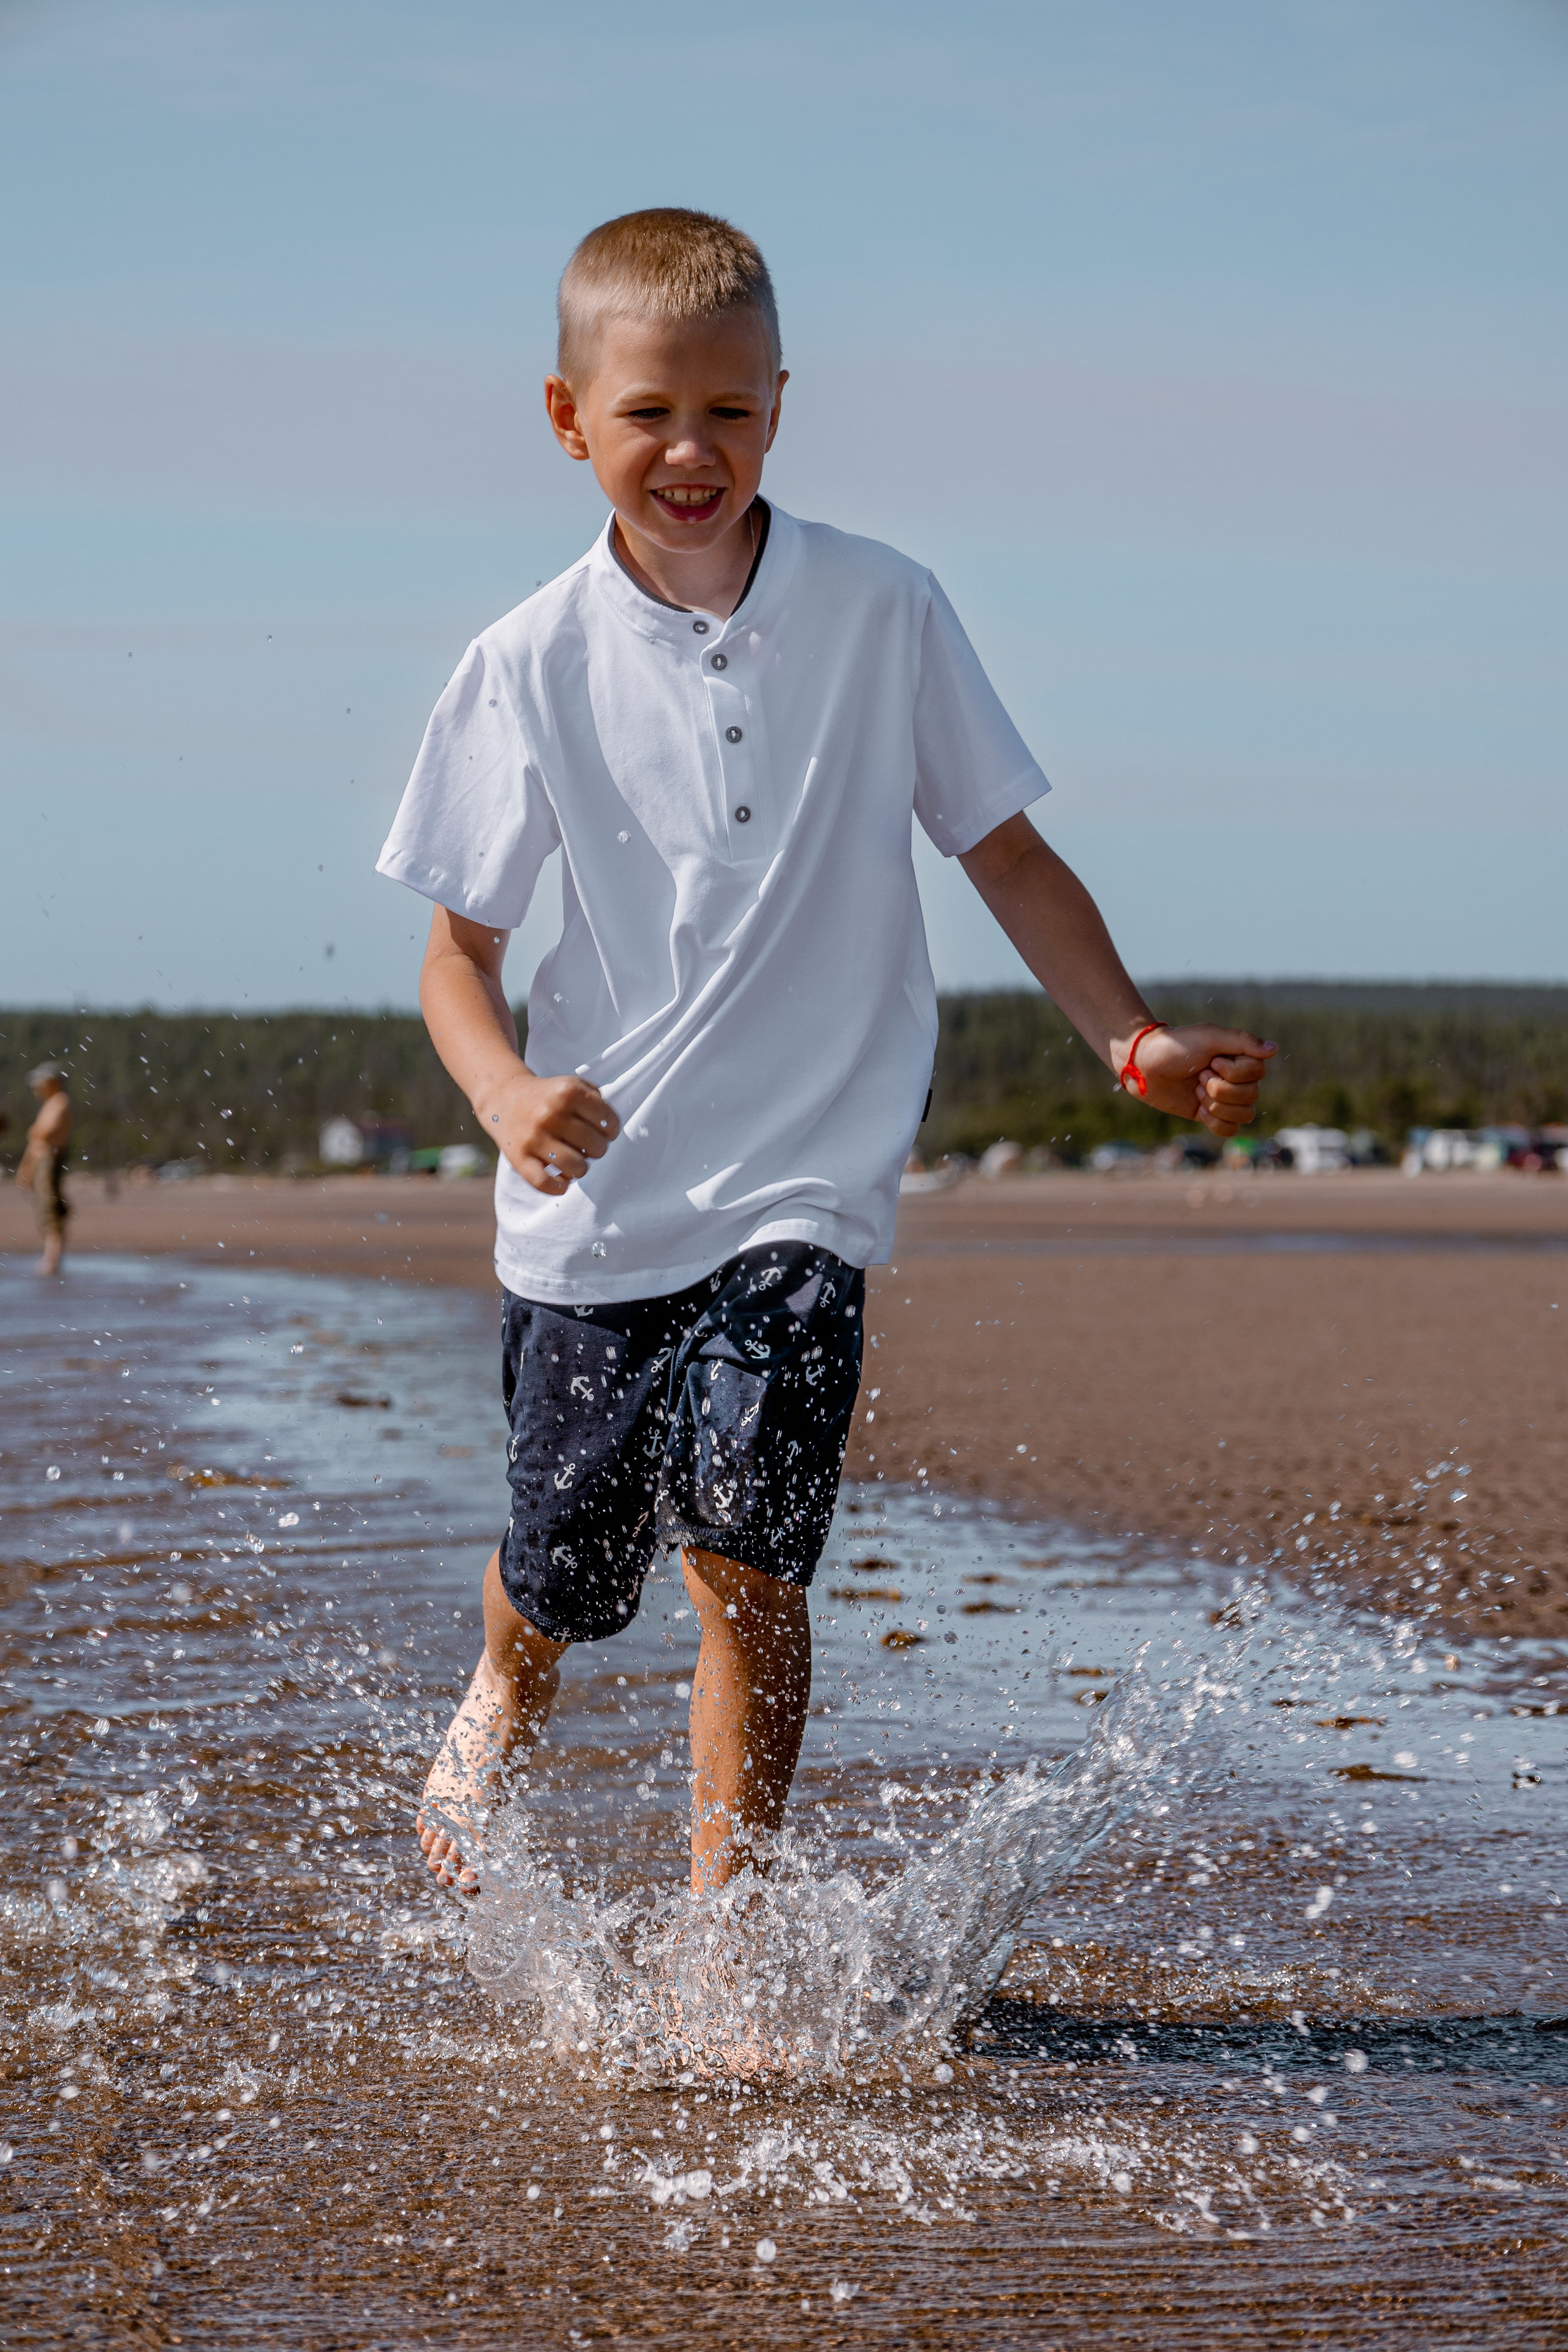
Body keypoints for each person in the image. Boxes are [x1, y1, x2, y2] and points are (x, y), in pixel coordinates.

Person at [376, 208, 1276, 1902]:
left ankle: (731, 1930)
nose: (691, 449)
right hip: (598, 1205)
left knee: (745, 1559)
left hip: (807, 1177)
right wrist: (504, 1096)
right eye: (648, 413)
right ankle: (511, 1669)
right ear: (570, 419)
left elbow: (1001, 850)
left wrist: (1131, 1035)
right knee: (572, 1568)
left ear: (780, 405)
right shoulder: (524, 662)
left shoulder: (885, 607)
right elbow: (458, 955)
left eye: (728, 409)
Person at [17, 1062, 74, 1276]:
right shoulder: (50, 1104)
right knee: (44, 1212)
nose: (35, 1087)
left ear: (52, 1082)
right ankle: (49, 1258)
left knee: (50, 1212)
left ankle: (53, 1261)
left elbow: (43, 1135)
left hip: (50, 1162)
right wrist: (25, 1171)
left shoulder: (60, 1102)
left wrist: (34, 1132)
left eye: (39, 1082)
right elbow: (35, 1144)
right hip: (42, 1163)